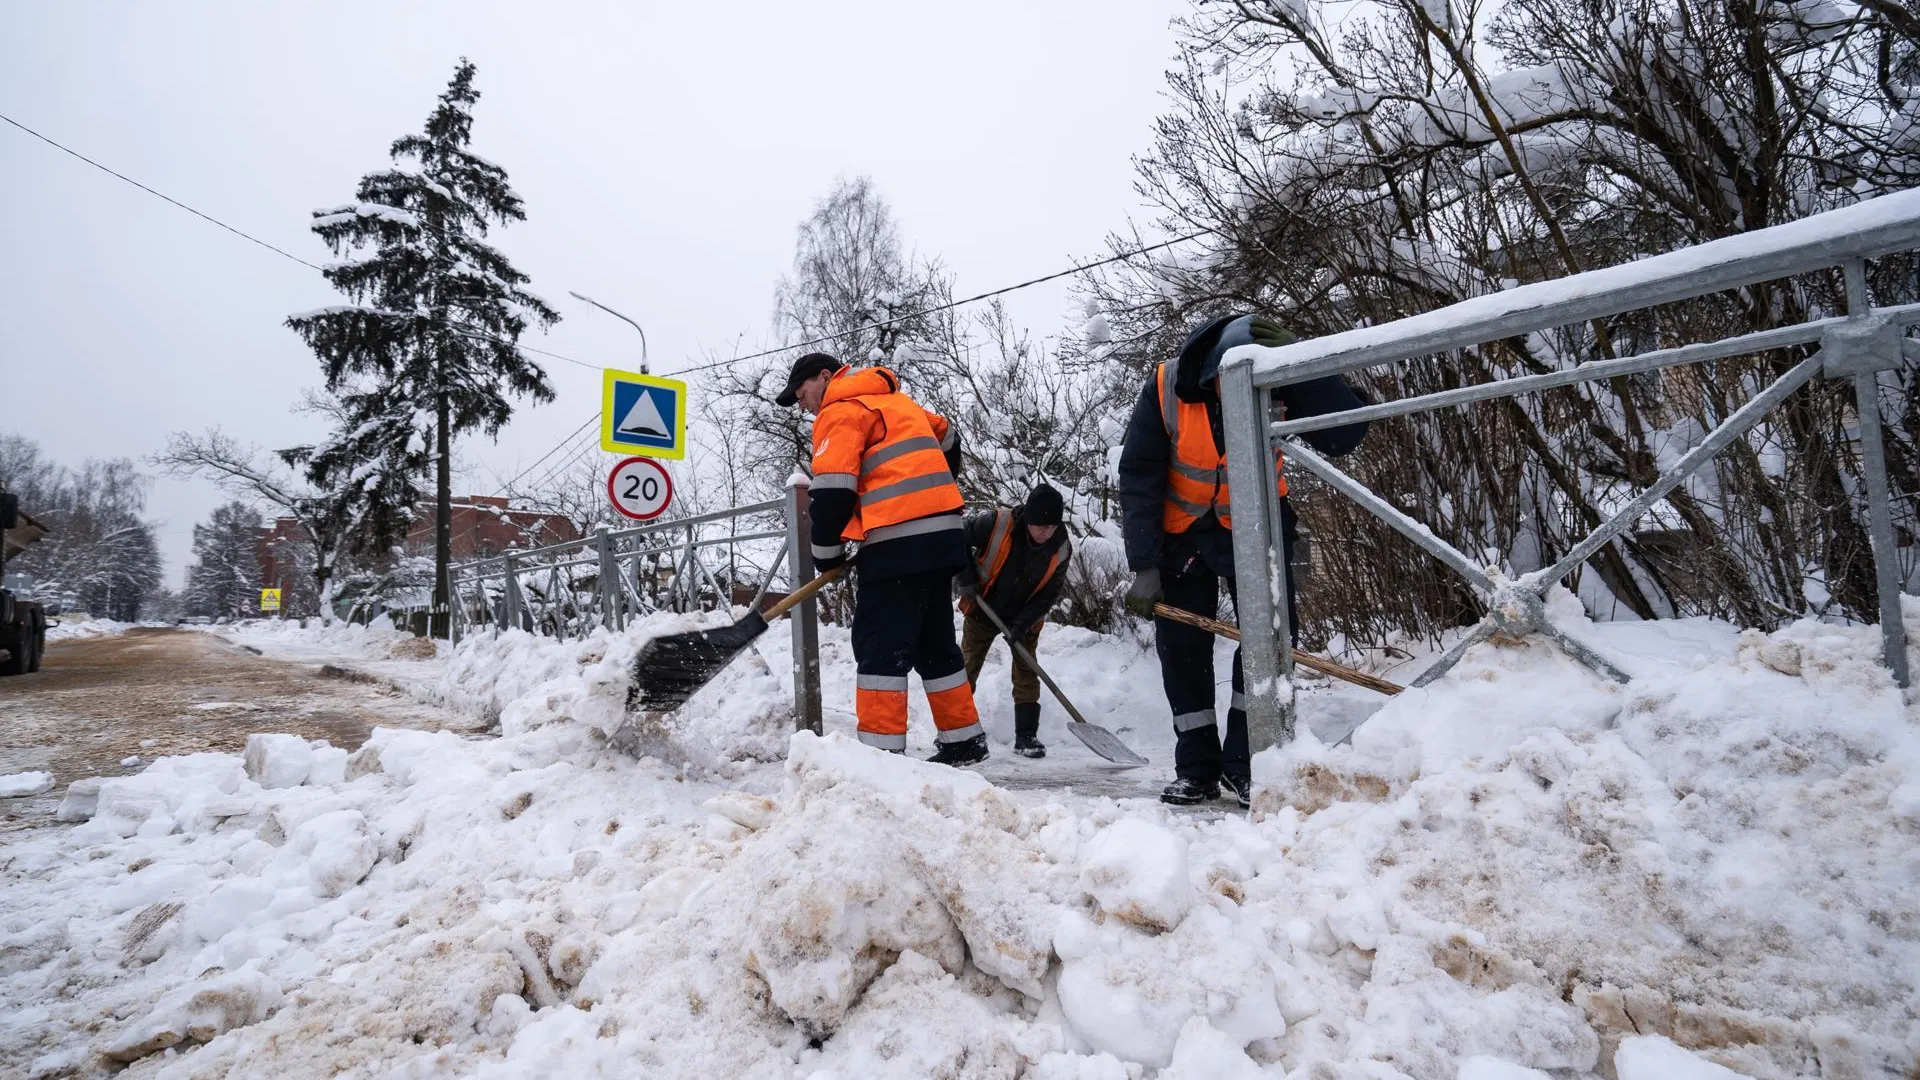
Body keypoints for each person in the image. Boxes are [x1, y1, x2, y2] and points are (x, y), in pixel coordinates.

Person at [1117, 314, 1369, 806]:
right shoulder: (1167, 386)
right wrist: (1144, 564)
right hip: (1181, 535)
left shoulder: (1280, 374)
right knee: (1182, 648)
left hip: (1258, 526)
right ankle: (1196, 768)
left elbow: (1346, 436)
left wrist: (1306, 367)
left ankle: (1246, 762)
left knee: (1270, 639)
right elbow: (1139, 473)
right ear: (1211, 371)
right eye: (1225, 381)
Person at [775, 351, 989, 766]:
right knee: (935, 643)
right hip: (943, 539)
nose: (803, 406)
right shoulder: (898, 403)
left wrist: (827, 556)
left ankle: (881, 759)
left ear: (825, 377)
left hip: (897, 544)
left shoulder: (840, 411)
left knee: (880, 649)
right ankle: (964, 741)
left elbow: (833, 492)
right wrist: (930, 496)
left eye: (802, 394)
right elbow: (948, 436)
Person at [958, 482, 1073, 758]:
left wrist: (1022, 624)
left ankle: (1026, 737)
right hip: (984, 606)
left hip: (1026, 613)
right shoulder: (996, 523)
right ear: (1028, 519)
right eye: (1040, 526)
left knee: (1027, 669)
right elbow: (956, 536)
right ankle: (955, 729)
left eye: (1052, 526)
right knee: (967, 665)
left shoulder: (1061, 548)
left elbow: (1048, 594)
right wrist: (966, 577)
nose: (1046, 532)